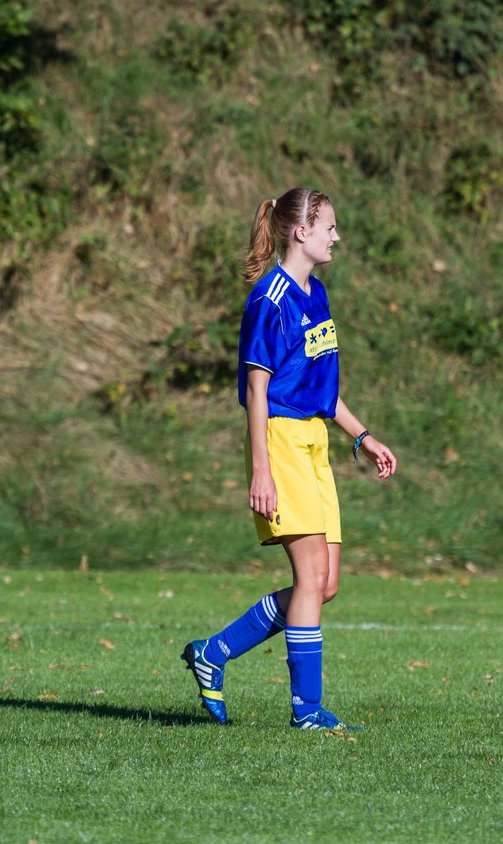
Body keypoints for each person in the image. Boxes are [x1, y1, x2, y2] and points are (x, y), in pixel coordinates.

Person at [183, 187, 397, 731]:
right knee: (309, 579)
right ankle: (307, 711)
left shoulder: (315, 293)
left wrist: (362, 434)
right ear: (301, 231)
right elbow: (257, 391)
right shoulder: (268, 298)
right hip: (279, 441)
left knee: (326, 585)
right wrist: (261, 469)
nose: (336, 236)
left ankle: (213, 652)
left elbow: (321, 384)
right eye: (330, 226)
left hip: (316, 442)